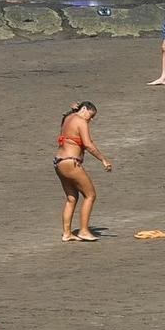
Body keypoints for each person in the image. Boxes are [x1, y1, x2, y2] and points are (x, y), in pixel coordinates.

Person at [54, 100, 111, 242]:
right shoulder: (81, 121)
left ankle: (67, 233)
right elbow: (88, 144)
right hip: (71, 163)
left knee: (72, 198)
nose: (90, 120)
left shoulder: (68, 118)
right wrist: (103, 159)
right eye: (90, 116)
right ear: (84, 109)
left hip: (59, 163)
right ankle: (84, 231)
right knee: (90, 195)